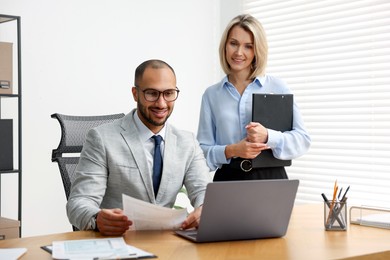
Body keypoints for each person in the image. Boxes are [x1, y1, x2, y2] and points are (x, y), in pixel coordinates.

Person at [67, 59, 211, 236]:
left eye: (168, 93)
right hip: (118, 243)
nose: (161, 103)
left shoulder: (187, 142)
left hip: (166, 244)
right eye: (152, 93)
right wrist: (97, 218)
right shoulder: (102, 138)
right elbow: (78, 203)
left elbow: (204, 191)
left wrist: (205, 209)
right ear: (135, 93)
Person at [197, 14, 311, 181]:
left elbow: (302, 140)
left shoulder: (278, 87)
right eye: (233, 43)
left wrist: (268, 136)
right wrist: (233, 150)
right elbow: (201, 155)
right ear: (225, 46)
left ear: (257, 50)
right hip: (228, 179)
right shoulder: (212, 95)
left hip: (272, 179)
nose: (238, 52)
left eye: (248, 46)